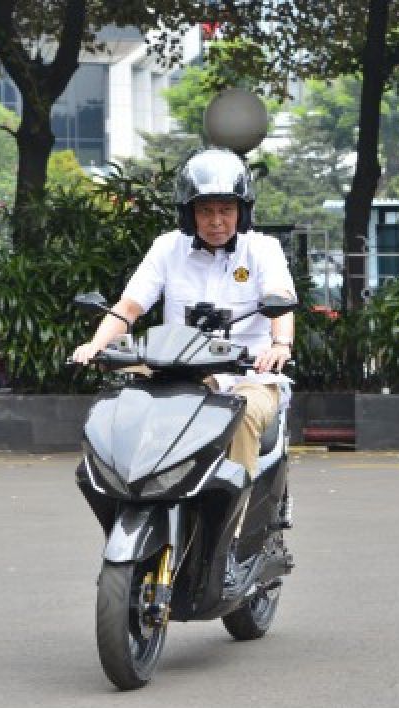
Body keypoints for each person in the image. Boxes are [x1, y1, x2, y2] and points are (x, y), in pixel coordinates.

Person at [72, 147, 297, 478]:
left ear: (242, 211)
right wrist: (95, 345)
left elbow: (280, 298)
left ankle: (232, 520)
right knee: (119, 407)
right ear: (189, 213)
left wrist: (280, 345)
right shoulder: (167, 247)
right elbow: (130, 306)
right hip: (176, 373)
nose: (216, 221)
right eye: (205, 211)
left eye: (226, 209)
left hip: (248, 375)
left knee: (244, 415)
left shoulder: (263, 249)